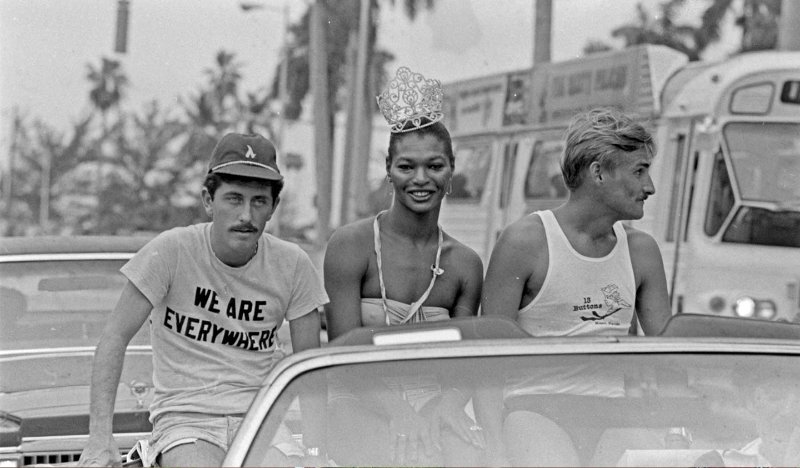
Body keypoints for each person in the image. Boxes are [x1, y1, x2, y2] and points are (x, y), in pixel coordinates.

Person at [77, 132, 328, 467]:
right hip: (186, 420)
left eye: (258, 201)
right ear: (209, 200)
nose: (247, 216)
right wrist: (99, 438)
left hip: (262, 416)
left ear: (273, 207)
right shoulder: (171, 250)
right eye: (234, 199)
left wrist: (316, 452)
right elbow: (114, 337)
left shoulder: (293, 263)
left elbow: (308, 364)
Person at [477, 107, 673, 466]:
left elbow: (671, 357)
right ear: (598, 172)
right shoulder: (526, 241)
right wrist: (493, 447)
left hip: (613, 414)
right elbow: (485, 359)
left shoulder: (642, 251)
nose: (650, 187)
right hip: (537, 410)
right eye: (640, 171)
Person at [323, 66, 485, 466]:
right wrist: (400, 415)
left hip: (433, 405)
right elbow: (344, 357)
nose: (421, 179)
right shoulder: (352, 244)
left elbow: (466, 363)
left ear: (451, 171)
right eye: (406, 166)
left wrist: (441, 410)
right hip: (357, 397)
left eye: (435, 166)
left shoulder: (465, 263)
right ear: (388, 170)